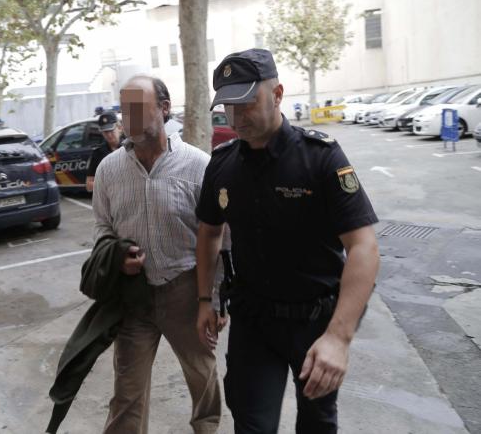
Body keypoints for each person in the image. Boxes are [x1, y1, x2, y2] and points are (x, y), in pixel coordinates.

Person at [194, 49, 380, 434]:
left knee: (316, 423)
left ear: (277, 94)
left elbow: (363, 246)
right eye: (228, 106)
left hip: (315, 320)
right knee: (252, 425)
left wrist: (339, 337)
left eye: (247, 102)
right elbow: (209, 232)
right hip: (253, 320)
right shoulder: (222, 163)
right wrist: (204, 300)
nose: (236, 116)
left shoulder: (321, 158)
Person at [92, 75, 223, 433]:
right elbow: (102, 227)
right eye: (124, 110)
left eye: (138, 108)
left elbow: (219, 238)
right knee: (127, 391)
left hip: (186, 291)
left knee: (202, 377)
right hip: (133, 298)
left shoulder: (198, 165)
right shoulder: (109, 170)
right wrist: (117, 258)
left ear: (164, 108)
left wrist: (215, 300)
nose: (129, 118)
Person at [85, 110, 123, 192]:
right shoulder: (98, 153)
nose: (109, 135)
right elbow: (89, 185)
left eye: (111, 130)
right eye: (105, 132)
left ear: (119, 128)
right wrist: (108, 185)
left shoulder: (131, 148)